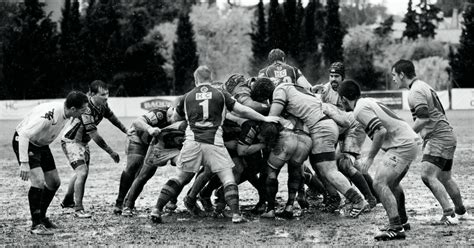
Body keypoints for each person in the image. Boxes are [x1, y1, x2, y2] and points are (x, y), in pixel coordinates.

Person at [149, 65, 279, 224]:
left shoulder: (186, 97)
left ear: (196, 80)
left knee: (180, 177)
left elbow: (175, 119)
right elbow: (243, 110)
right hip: (214, 142)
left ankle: (157, 209)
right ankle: (236, 214)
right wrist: (264, 118)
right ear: (210, 78)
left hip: (192, 141)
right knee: (228, 177)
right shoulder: (221, 94)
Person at [251, 77, 369, 219]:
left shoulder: (280, 90)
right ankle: (334, 198)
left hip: (320, 128)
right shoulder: (293, 87)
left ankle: (358, 200)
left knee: (329, 170)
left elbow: (272, 117)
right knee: (318, 168)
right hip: (321, 126)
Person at [338, 80, 419, 241]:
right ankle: (402, 221)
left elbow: (380, 132)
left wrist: (369, 158)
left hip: (402, 145)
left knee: (379, 183)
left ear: (343, 98)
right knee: (392, 184)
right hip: (410, 141)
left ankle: (396, 228)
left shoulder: (359, 109)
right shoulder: (366, 102)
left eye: (340, 100)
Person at [391, 59, 471, 224]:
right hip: (446, 136)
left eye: (394, 75)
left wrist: (407, 135)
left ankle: (449, 214)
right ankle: (461, 212)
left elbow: (423, 119)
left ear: (402, 74)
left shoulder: (415, 91)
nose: (393, 79)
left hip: (439, 138)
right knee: (445, 177)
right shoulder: (422, 85)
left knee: (427, 175)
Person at [12, 91, 89, 235]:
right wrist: (24, 162)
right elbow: (23, 134)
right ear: (73, 109)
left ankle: (42, 217)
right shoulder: (50, 115)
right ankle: (36, 225)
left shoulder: (67, 114)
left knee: (54, 182)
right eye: (83, 109)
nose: (85, 112)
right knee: (38, 181)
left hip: (42, 145)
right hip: (26, 142)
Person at [60, 80, 128, 218]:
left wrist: (126, 131)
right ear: (91, 94)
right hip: (71, 141)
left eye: (107, 93)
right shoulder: (86, 109)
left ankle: (68, 200)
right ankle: (78, 209)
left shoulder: (103, 105)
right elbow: (94, 135)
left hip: (82, 143)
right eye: (102, 94)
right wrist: (111, 152)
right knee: (82, 172)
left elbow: (113, 118)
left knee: (81, 173)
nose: (106, 97)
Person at [113, 106, 172, 215]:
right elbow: (137, 122)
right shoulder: (160, 114)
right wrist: (149, 129)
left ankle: (129, 203)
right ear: (173, 109)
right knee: (134, 164)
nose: (173, 118)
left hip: (157, 143)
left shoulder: (184, 120)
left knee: (146, 173)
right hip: (139, 136)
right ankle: (119, 202)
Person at [121, 120, 186, 216]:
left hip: (177, 148)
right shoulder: (162, 113)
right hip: (159, 146)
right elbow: (137, 122)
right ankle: (128, 205)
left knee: (185, 171)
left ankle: (171, 202)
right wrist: (150, 129)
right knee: (144, 175)